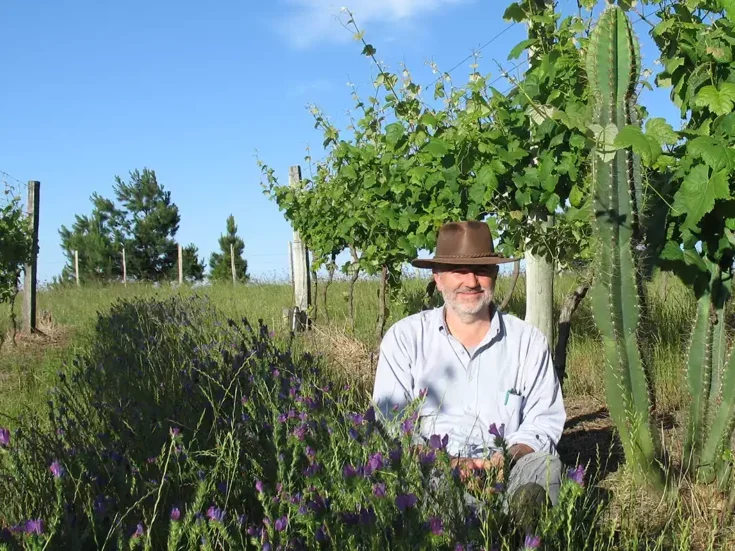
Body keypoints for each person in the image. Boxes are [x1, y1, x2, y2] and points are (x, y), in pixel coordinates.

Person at [371, 220, 566, 513]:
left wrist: (509, 457)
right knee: (432, 487)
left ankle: (521, 519)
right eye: (459, 271)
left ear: (495, 275)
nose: (471, 282)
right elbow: (391, 423)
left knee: (546, 466)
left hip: (509, 465)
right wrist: (443, 462)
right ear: (438, 277)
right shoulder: (405, 338)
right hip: (434, 466)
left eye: (482, 270)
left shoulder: (527, 341)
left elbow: (544, 419)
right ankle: (484, 523)